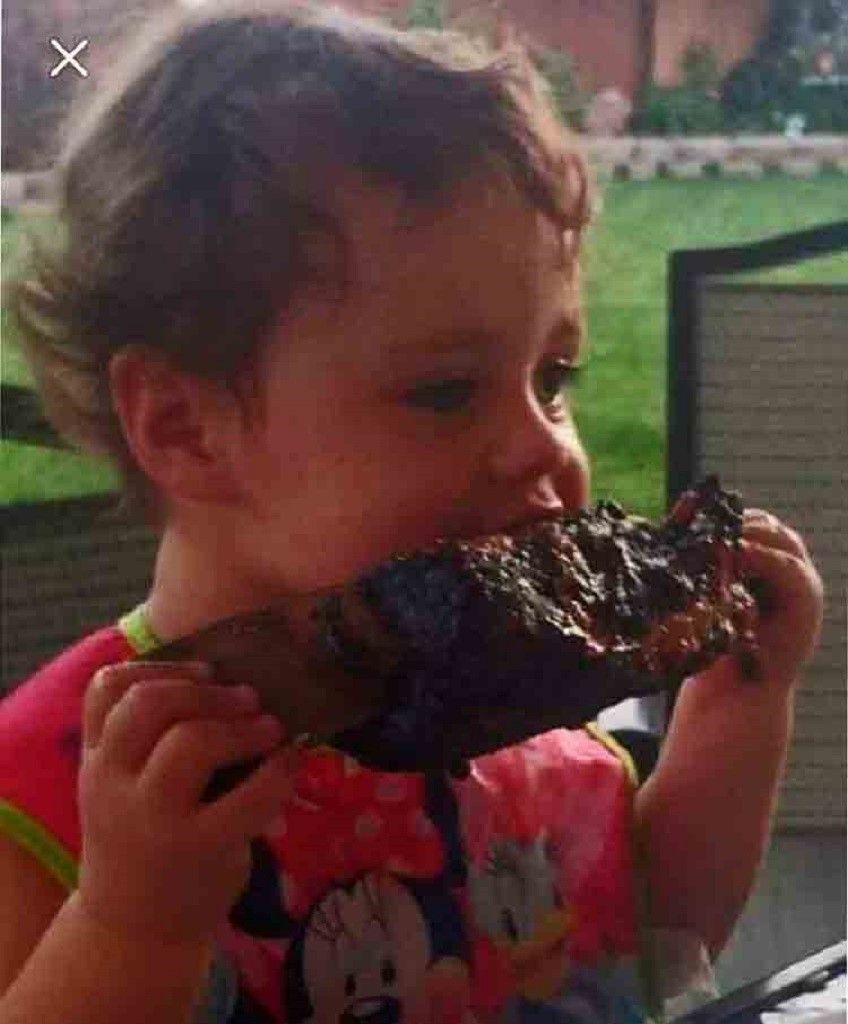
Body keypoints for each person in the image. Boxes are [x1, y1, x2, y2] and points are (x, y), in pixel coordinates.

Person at [0, 3, 824, 1022]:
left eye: (552, 376)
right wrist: (134, 928)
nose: (543, 446)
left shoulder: (518, 725)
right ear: (183, 427)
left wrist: (738, 707)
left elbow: (656, 932)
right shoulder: (50, 804)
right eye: (444, 390)